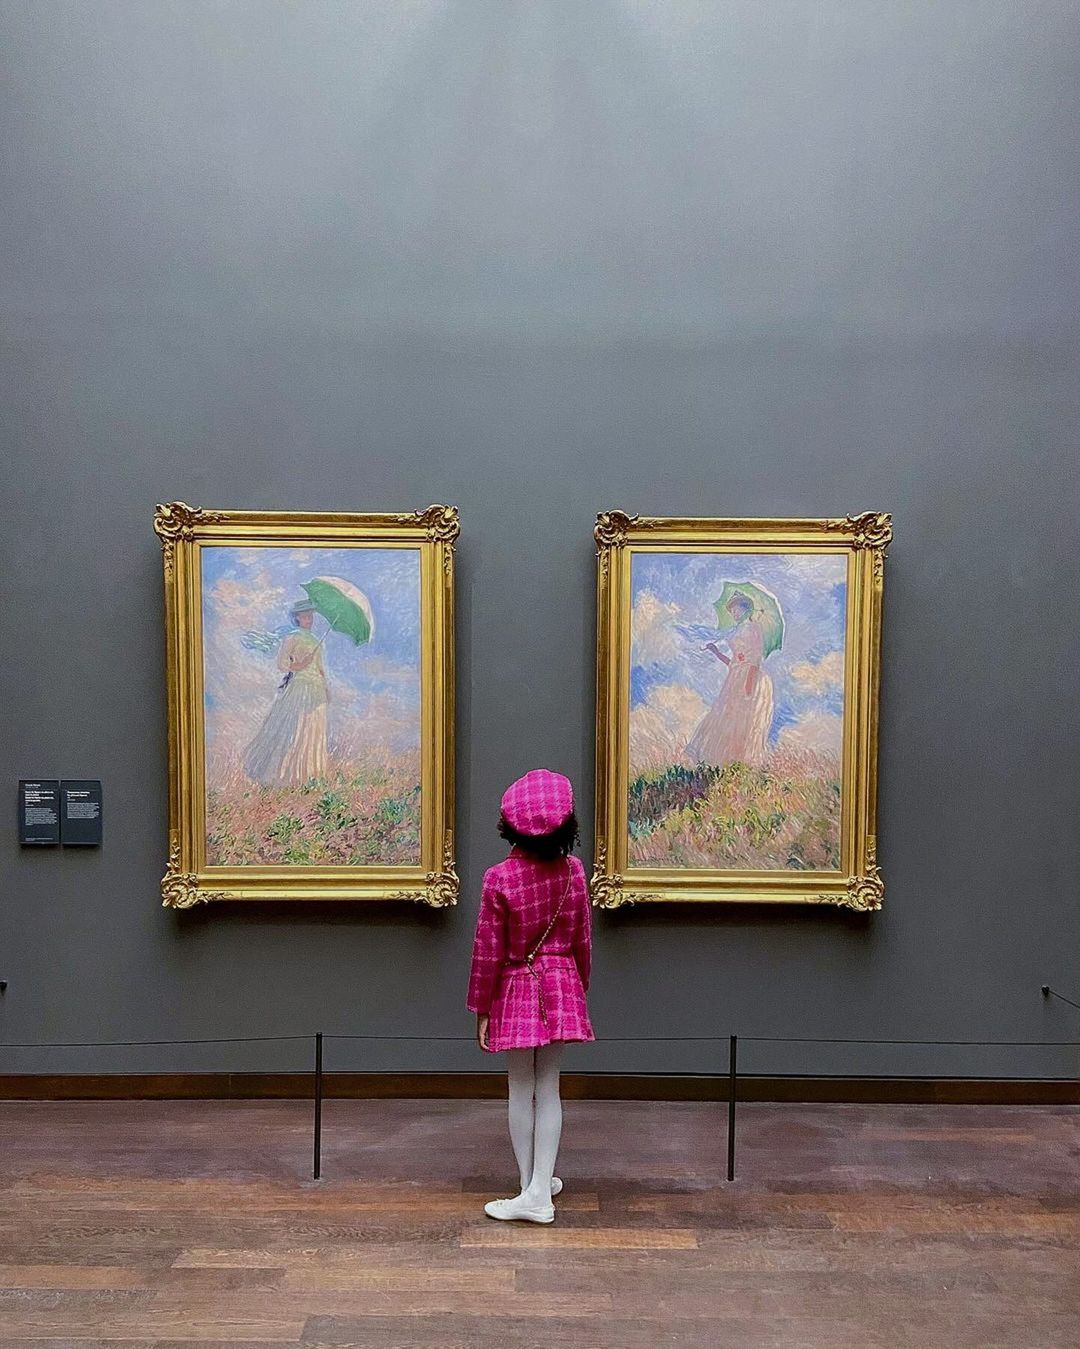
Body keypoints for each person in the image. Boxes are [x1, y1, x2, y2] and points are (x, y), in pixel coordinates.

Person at [467, 769, 594, 1224]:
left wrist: (482, 1007)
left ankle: (534, 1189)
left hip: (515, 985)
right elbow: (583, 939)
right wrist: (579, 987)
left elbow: (488, 950)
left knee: (520, 1087)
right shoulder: (575, 872)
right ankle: (538, 1184)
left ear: (509, 824)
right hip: (561, 982)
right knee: (550, 1087)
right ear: (567, 824)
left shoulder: (499, 878)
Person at [243, 599, 329, 786]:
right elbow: (282, 664)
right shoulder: (292, 637)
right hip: (300, 686)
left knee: (312, 730)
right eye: (305, 616)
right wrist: (299, 665)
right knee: (295, 727)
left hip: (316, 690)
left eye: (310, 616)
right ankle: (285, 777)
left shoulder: (316, 641)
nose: (309, 619)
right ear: (297, 618)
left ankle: (308, 777)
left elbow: (320, 668)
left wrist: (325, 687)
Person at [685, 592, 774, 768]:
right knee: (727, 718)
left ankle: (743, 764)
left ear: (746, 609)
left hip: (751, 678)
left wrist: (748, 686)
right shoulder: (738, 630)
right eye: (732, 610)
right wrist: (716, 651)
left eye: (737, 608)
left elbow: (755, 658)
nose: (734, 612)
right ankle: (727, 764)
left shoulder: (754, 628)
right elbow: (734, 663)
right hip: (736, 678)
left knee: (744, 720)